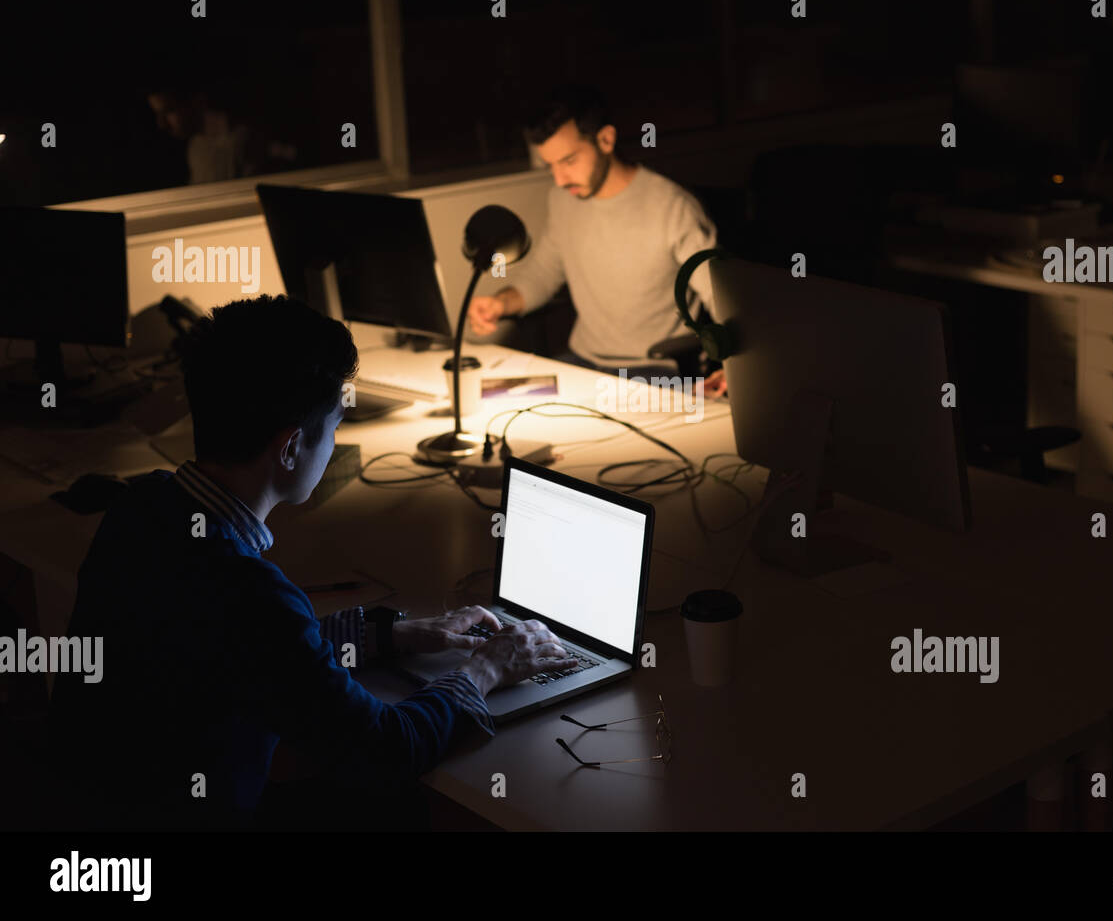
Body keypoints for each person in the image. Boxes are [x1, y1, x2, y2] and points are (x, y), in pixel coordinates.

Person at [49, 295, 576, 829]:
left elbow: (260, 655)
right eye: (335, 427)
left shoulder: (138, 508)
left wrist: (394, 635)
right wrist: (486, 668)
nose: (335, 443)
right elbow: (386, 750)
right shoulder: (247, 591)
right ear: (290, 447)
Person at [467, 85, 727, 394]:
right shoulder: (562, 200)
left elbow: (722, 295)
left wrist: (734, 362)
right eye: (550, 166)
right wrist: (500, 303)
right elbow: (543, 274)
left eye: (569, 160)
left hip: (654, 371)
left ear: (606, 139)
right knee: (492, 403)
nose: (559, 179)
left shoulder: (672, 207)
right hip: (582, 363)